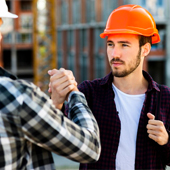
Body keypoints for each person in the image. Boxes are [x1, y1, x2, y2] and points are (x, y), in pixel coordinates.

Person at [49, 4, 170, 170]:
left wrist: (165, 141)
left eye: (124, 45)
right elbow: (56, 142)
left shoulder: (165, 98)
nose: (115, 54)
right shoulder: (88, 93)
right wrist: (55, 104)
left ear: (145, 49)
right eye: (111, 44)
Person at [0, 0, 101, 169]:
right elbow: (90, 147)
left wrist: (53, 106)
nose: (1, 35)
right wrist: (75, 95)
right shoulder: (16, 96)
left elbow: (25, 131)